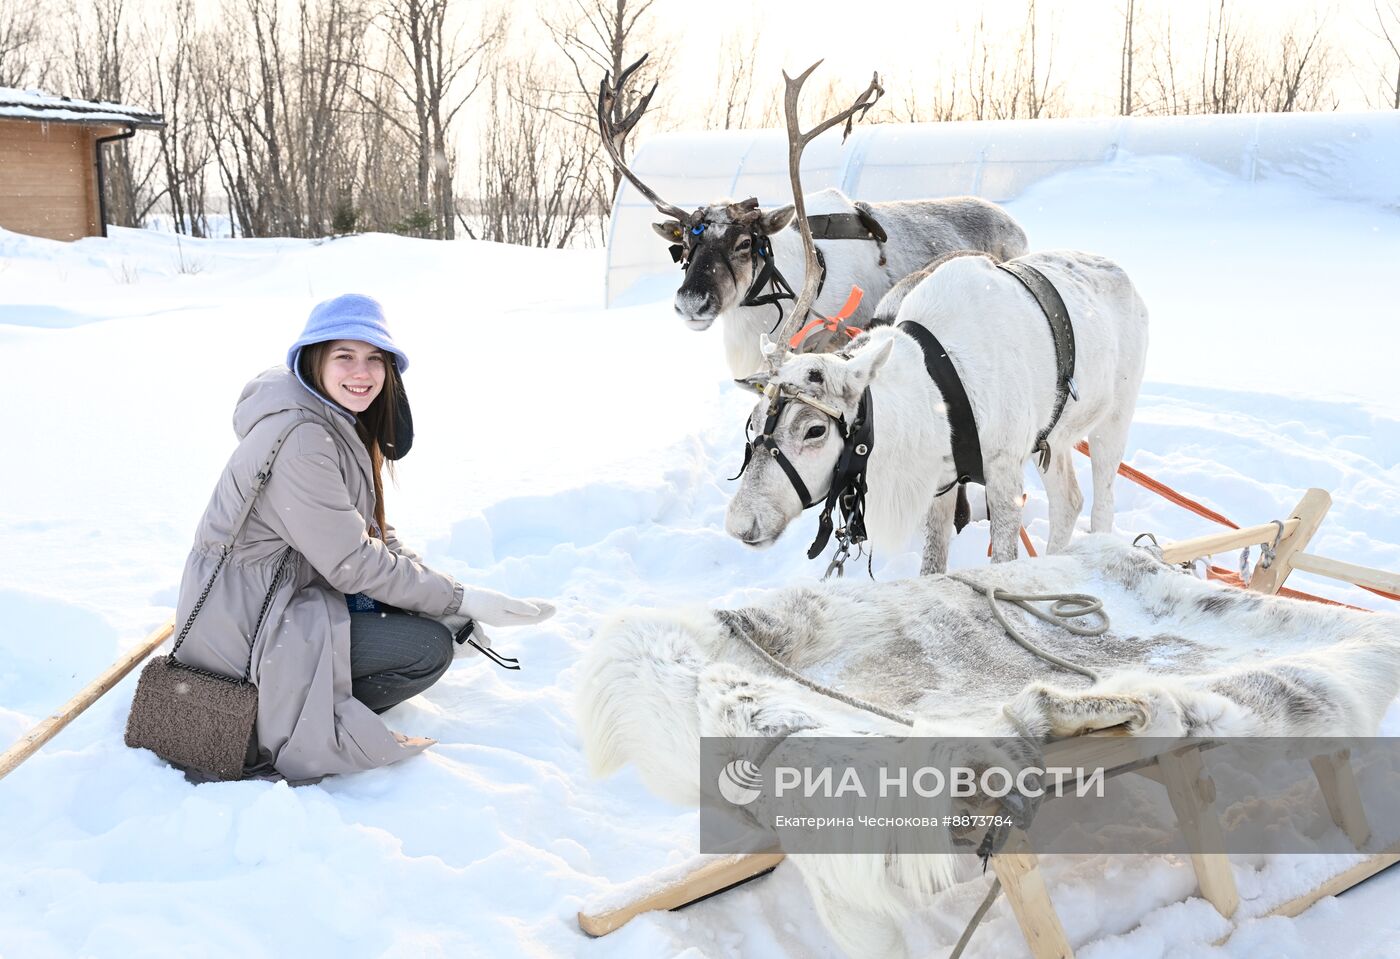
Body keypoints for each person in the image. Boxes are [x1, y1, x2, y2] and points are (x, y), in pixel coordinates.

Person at [170, 293, 554, 780]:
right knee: (426, 650)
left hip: (284, 605)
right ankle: (279, 721)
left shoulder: (328, 421)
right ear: (314, 360)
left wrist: (442, 599)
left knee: (425, 624)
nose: (363, 371)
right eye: (344, 356)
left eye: (375, 358)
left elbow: (374, 535)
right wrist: (461, 597)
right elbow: (352, 561)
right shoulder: (303, 439)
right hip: (250, 627)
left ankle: (312, 698)